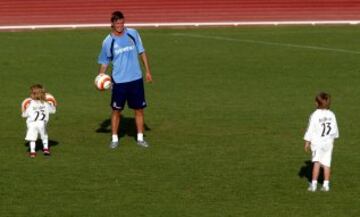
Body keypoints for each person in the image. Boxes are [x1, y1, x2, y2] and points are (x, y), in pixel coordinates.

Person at [97, 11, 153, 148]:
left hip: (136, 79)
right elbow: (105, 62)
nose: (120, 26)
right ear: (112, 24)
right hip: (119, 82)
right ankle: (114, 139)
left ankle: (140, 138)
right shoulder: (108, 41)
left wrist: (147, 71)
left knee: (139, 109)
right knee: (116, 111)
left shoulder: (133, 34)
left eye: (122, 23)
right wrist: (100, 77)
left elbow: (142, 52)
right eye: (117, 23)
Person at [303, 92, 339, 192]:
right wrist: (333, 140)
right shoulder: (332, 114)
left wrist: (307, 142)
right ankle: (326, 185)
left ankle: (313, 185)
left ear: (316, 103)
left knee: (317, 162)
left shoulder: (314, 115)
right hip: (328, 142)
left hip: (318, 143)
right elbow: (334, 129)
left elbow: (310, 129)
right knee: (327, 164)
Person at [22, 84, 56, 158]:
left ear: (33, 94)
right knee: (44, 136)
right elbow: (53, 111)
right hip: (42, 123)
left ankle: (33, 152)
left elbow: (24, 114)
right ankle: (46, 149)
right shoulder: (46, 104)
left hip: (32, 124)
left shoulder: (30, 104)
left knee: (32, 138)